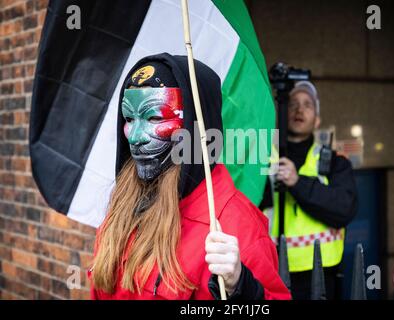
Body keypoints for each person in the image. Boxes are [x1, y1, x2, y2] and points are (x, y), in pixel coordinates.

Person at [88, 53, 291, 300]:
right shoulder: (122, 208)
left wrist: (241, 288)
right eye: (129, 119)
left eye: (154, 117)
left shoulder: (234, 224)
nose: (136, 136)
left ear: (195, 128)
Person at [260, 80, 358, 300]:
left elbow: (345, 208)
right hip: (272, 270)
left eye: (307, 104)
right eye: (293, 103)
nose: (299, 109)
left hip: (321, 274)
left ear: (318, 120)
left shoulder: (334, 162)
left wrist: (298, 183)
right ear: (282, 114)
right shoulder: (263, 160)